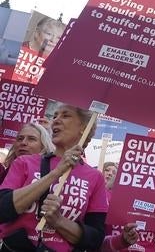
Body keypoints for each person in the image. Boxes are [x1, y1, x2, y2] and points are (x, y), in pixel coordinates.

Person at [0, 104, 108, 251]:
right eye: (55, 116)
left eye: (65, 115)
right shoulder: (25, 162)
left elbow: (95, 239)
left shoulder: (96, 177)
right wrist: (56, 172)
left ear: (83, 127)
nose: (55, 120)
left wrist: (59, 221)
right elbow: (2, 209)